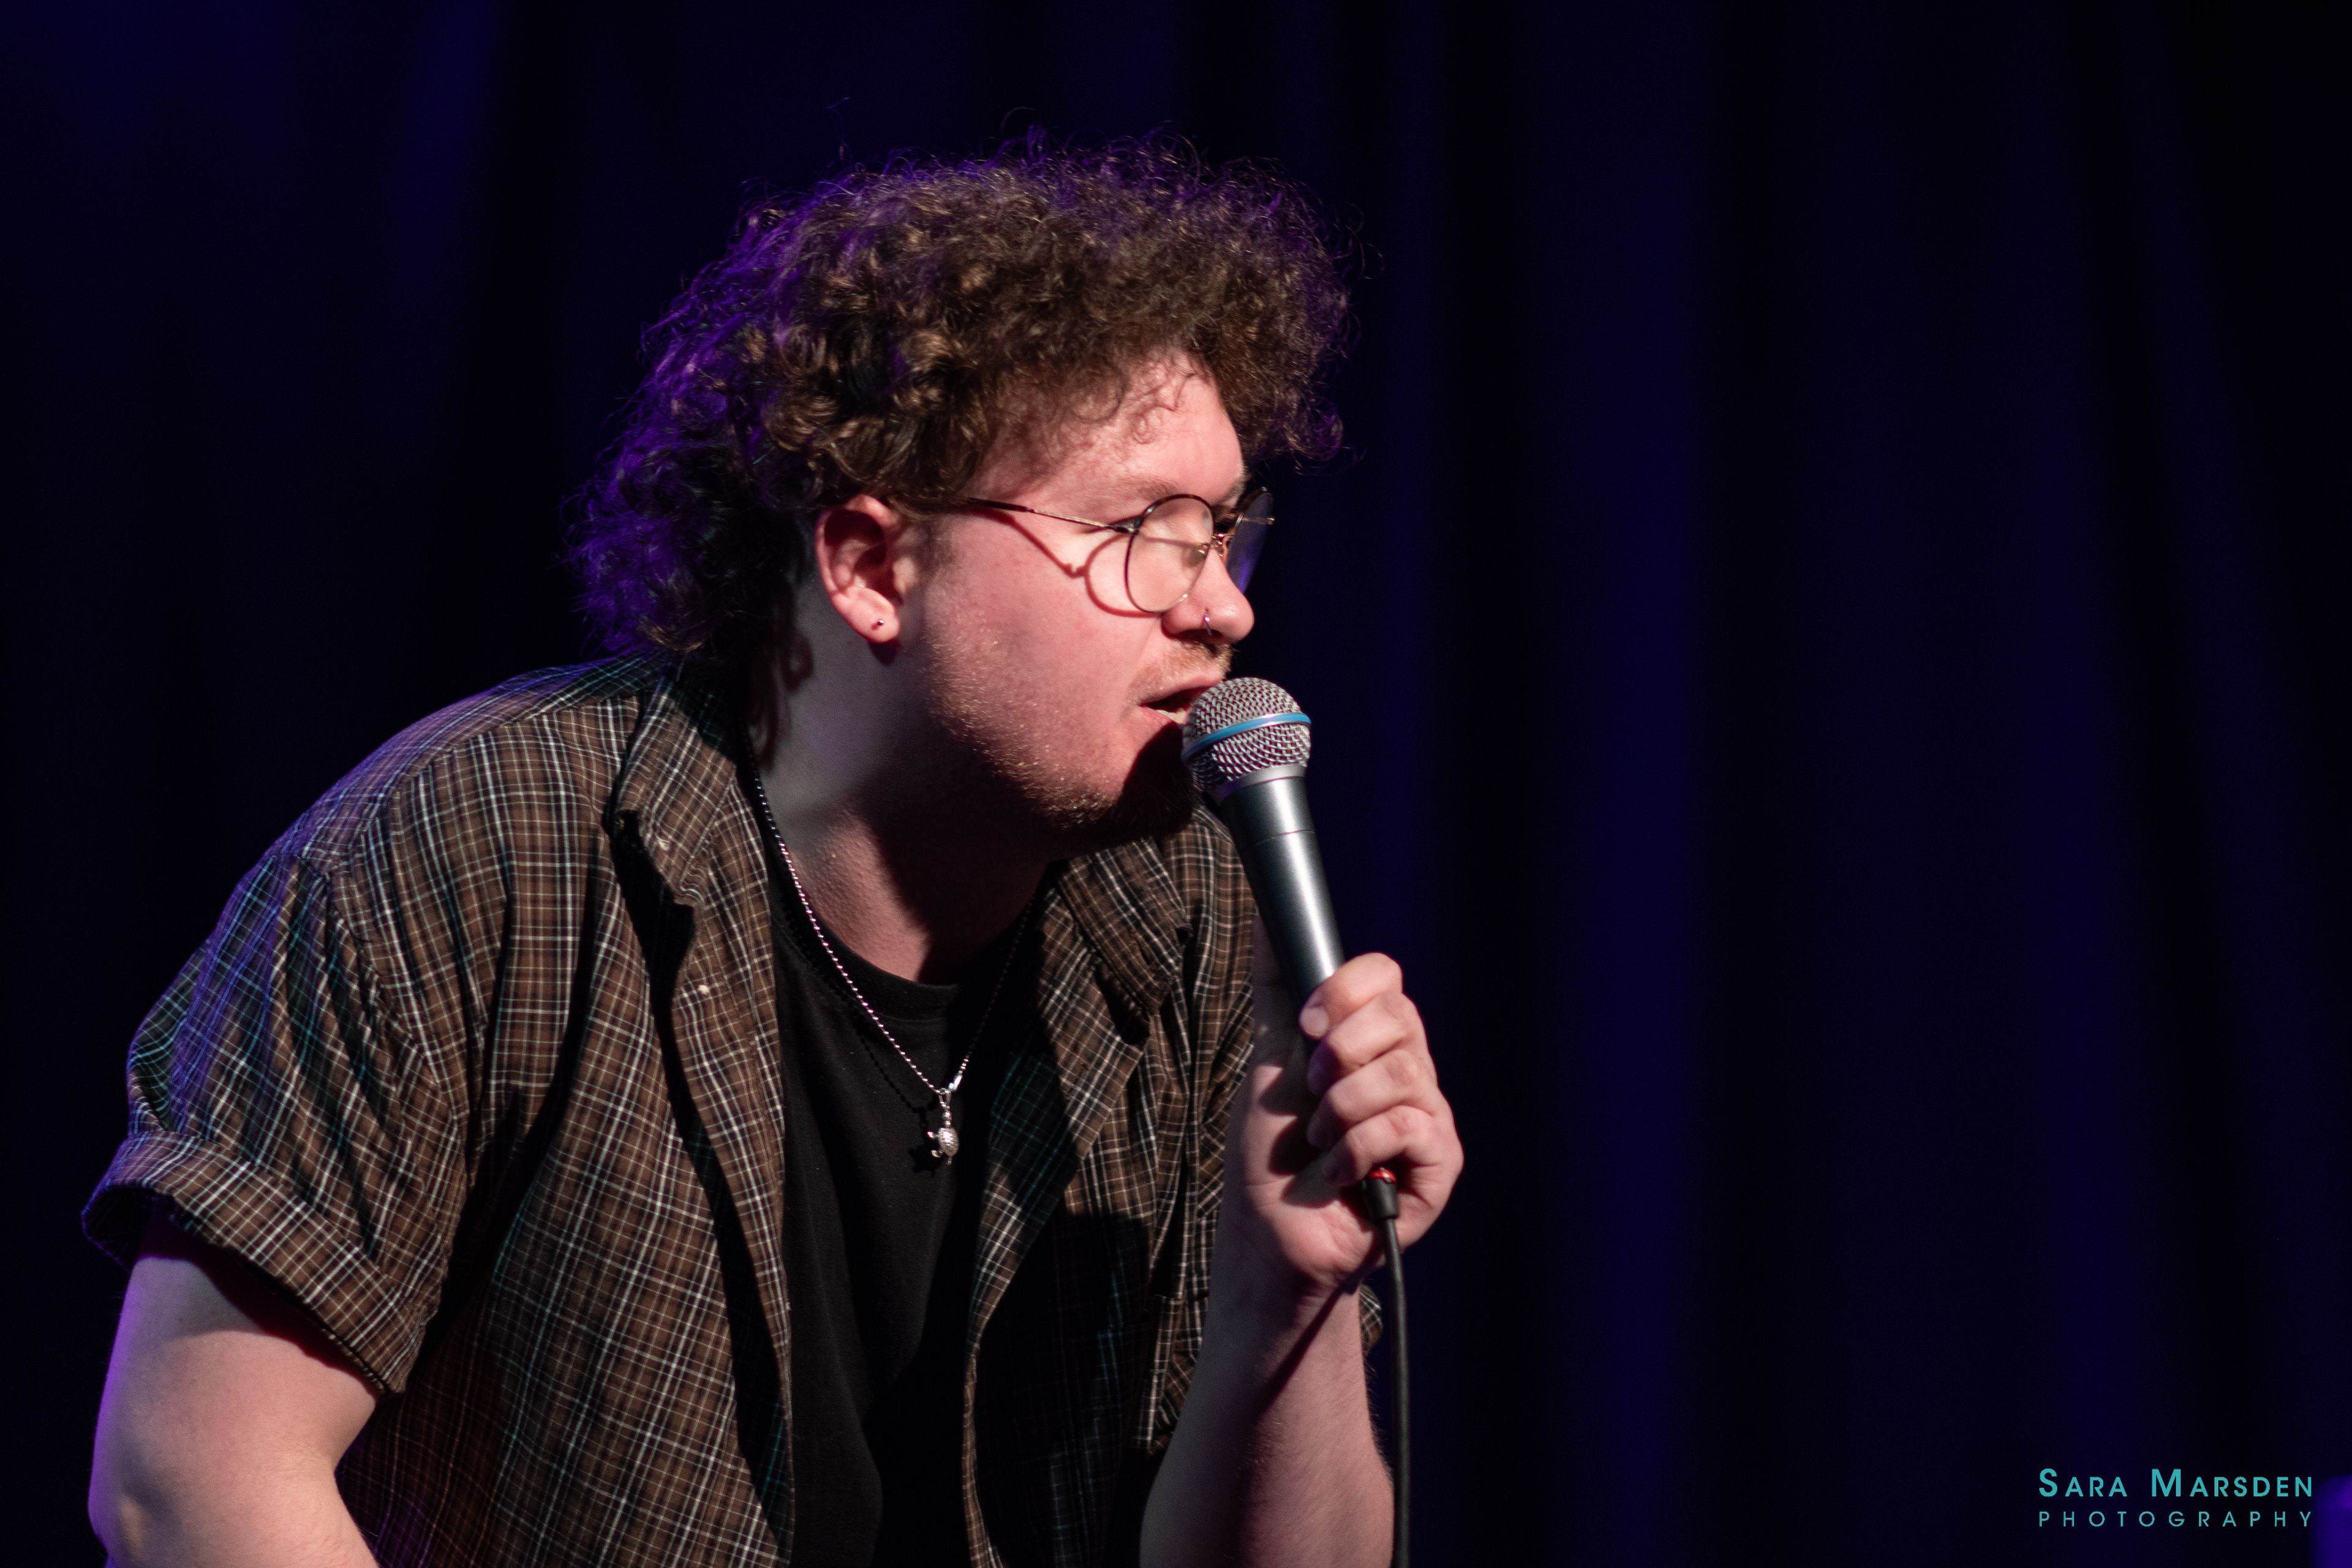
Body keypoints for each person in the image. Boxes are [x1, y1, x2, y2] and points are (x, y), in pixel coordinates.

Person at [84, 137, 1463, 1568]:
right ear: (870, 565)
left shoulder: (1191, 907)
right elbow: (192, 1476)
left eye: (1222, 533)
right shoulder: (486, 839)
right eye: (1139, 531)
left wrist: (1283, 1301)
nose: (1222, 608)